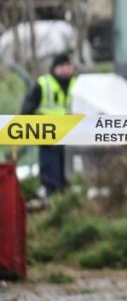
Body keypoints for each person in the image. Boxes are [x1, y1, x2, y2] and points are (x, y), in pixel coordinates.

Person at [21, 52, 77, 198]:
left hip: (68, 131)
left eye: (69, 66)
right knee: (50, 164)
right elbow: (27, 108)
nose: (67, 69)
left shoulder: (76, 84)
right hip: (47, 132)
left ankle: (62, 191)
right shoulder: (43, 84)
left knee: (64, 163)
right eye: (63, 66)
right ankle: (51, 191)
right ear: (56, 68)